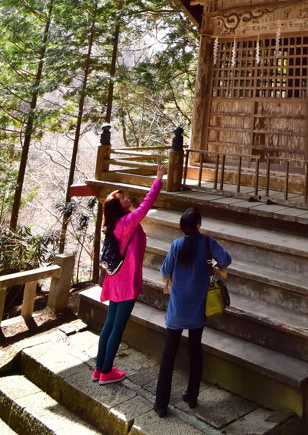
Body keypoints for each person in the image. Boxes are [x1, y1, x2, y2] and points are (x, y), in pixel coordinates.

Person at [154, 207, 231, 417]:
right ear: (198, 225)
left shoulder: (176, 245)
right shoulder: (208, 243)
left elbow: (164, 272)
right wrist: (212, 263)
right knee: (195, 351)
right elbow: (226, 260)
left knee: (168, 356)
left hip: (177, 310)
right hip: (198, 309)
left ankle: (161, 404)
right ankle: (192, 396)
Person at [93, 163, 165, 384]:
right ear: (119, 206)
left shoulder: (113, 224)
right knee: (117, 327)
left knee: (109, 324)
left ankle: (99, 368)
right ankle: (107, 372)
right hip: (125, 283)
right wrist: (158, 180)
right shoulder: (127, 222)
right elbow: (146, 205)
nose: (127, 199)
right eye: (123, 198)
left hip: (114, 280)